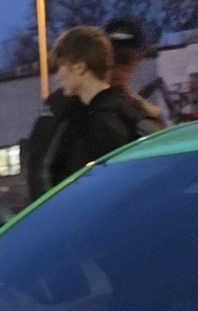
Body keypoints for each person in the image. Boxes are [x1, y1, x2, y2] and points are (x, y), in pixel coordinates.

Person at [21, 27, 144, 200]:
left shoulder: (102, 122)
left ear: (79, 68)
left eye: (62, 66)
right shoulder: (127, 111)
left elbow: (102, 192)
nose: (58, 76)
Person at [103, 15, 174, 135]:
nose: (117, 72)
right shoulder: (142, 118)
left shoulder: (78, 105)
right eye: (116, 58)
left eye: (125, 59)